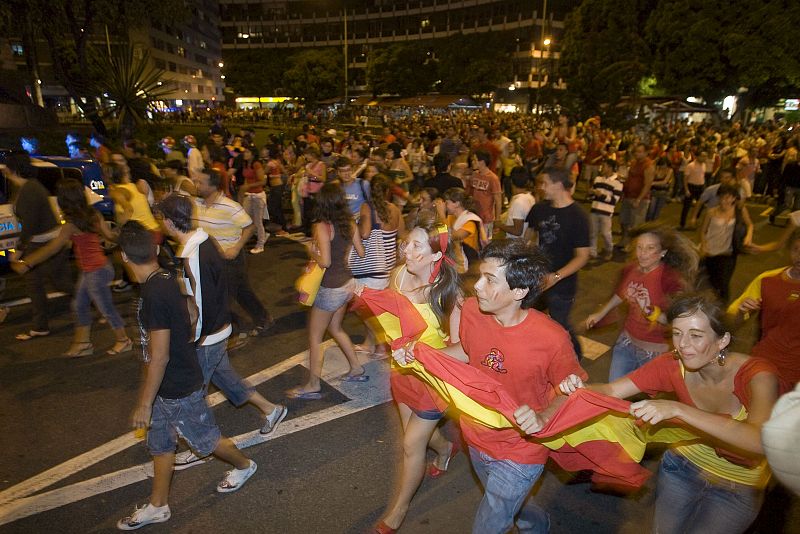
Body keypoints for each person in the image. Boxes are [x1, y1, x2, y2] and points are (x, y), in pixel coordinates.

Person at [394, 239, 587, 534]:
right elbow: (467, 350)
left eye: (490, 280)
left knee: (490, 523)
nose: (477, 286)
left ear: (519, 292)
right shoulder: (473, 311)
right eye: (480, 276)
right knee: (511, 507)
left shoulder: (552, 338)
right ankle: (537, 525)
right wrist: (420, 355)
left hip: (521, 450)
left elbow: (574, 390)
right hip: (476, 437)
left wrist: (543, 417)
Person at [561, 293, 780, 534]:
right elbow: (612, 390)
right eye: (677, 333)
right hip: (682, 469)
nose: (683, 344)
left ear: (722, 340)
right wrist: (582, 388)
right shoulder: (672, 364)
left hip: (737, 487)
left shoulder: (758, 375)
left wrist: (678, 409)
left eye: (696, 335)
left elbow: (759, 441)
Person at [116, 221, 257, 531]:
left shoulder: (153, 294)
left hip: (177, 385)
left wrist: (144, 403)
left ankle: (245, 465)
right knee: (161, 443)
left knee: (206, 440)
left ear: (124, 256)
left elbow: (160, 356)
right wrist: (185, 339)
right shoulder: (167, 277)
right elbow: (192, 310)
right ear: (155, 249)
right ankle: (158, 506)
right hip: (168, 381)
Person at [155, 195, 287, 468]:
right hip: (217, 330)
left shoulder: (193, 253)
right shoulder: (204, 239)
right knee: (225, 377)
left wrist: (193, 340)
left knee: (193, 396)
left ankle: (201, 445)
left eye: (161, 219)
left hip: (207, 336)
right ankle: (272, 409)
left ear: (168, 221)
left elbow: (200, 304)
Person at [373, 214, 462, 534]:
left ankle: (399, 509)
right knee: (416, 433)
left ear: (436, 255)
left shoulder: (449, 294)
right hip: (401, 372)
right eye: (406, 243)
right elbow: (391, 318)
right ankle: (445, 448)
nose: (406, 251)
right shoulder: (398, 276)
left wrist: (423, 353)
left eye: (416, 246)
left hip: (433, 381)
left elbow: (464, 350)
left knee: (411, 445)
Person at [11, 178, 132, 357]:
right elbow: (109, 236)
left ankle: (123, 340)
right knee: (79, 304)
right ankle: (83, 343)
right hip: (96, 268)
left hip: (96, 270)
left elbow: (53, 248)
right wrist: (121, 230)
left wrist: (27, 263)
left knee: (105, 307)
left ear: (64, 200)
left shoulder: (71, 224)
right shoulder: (93, 214)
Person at [586, 223, 697, 381]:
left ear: (663, 252)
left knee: (643, 395)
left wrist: (651, 312)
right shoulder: (631, 269)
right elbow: (621, 293)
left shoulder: (669, 279)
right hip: (626, 343)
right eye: (639, 247)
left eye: (650, 248)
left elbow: (678, 320)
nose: (642, 254)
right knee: (614, 389)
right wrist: (600, 313)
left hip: (653, 353)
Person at [288, 184, 366, 399]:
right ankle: (356, 368)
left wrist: (311, 251)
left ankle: (313, 384)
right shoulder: (350, 223)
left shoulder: (322, 226)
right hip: (348, 283)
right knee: (336, 327)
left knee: (315, 337)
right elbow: (361, 252)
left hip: (331, 287)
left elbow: (325, 262)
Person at [193, 167, 275, 339]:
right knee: (232, 293)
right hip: (209, 259)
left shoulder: (230, 206)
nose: (196, 185)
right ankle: (248, 323)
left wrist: (236, 248)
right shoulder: (197, 204)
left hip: (230, 259)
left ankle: (243, 326)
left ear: (213, 186)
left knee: (231, 295)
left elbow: (249, 226)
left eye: (200, 182)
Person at [2, 151, 73, 340]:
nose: (4, 169)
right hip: (37, 242)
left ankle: (98, 302)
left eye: (7, 166)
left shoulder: (31, 189)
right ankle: (40, 326)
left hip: (49, 243)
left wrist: (18, 250)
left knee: (60, 283)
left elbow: (30, 224)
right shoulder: (23, 187)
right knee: (34, 284)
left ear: (14, 168)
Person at [525, 166, 590, 360]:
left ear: (558, 184)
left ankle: (575, 356)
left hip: (563, 283)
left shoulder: (578, 216)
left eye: (545, 183)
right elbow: (529, 238)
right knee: (528, 317)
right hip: (537, 277)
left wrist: (555, 277)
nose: (541, 187)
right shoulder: (539, 209)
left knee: (560, 323)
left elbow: (582, 256)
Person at [728, 227, 800, 391]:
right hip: (767, 366)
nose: (799, 256)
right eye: (796, 250)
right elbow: (731, 323)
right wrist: (741, 312)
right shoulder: (767, 280)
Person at [699, 184, 753, 302]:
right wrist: (703, 245)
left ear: (734, 198)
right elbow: (703, 231)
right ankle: (708, 306)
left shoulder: (740, 211)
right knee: (708, 282)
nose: (724, 200)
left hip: (728, 253)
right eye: (721, 197)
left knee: (723, 284)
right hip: (710, 252)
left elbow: (750, 225)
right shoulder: (711, 212)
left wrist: (748, 237)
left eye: (728, 197)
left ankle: (723, 307)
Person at [442, 187, 486, 274]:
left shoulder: (470, 220)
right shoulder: (451, 217)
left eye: (446, 203)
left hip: (468, 266)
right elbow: (441, 234)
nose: (444, 206)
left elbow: (450, 237)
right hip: (455, 262)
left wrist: (442, 216)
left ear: (457, 203)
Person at [619, 143, 655, 247]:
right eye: (636, 151)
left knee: (636, 224)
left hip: (640, 199)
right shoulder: (634, 163)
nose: (636, 154)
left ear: (646, 153)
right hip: (628, 196)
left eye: (639, 152)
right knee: (624, 220)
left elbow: (647, 184)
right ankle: (625, 240)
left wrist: (639, 199)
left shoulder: (648, 166)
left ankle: (633, 246)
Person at [588, 159, 623, 260]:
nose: (602, 168)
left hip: (606, 212)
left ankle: (609, 250)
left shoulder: (617, 183)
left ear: (610, 168)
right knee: (592, 232)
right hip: (595, 208)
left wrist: (601, 195)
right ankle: (592, 252)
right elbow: (592, 196)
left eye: (604, 166)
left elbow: (614, 200)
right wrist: (591, 193)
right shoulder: (598, 179)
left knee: (605, 233)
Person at [239, 147, 269, 254]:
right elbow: (246, 178)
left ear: (252, 154)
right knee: (245, 219)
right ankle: (253, 238)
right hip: (249, 195)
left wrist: (248, 186)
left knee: (257, 221)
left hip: (257, 196)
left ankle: (260, 244)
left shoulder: (256, 164)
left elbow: (262, 181)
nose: (245, 154)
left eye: (247, 152)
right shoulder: (246, 164)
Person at [466, 149, 502, 238]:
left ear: (482, 161)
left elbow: (498, 201)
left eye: (475, 160)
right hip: (474, 216)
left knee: (485, 242)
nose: (472, 162)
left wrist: (497, 221)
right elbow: (469, 194)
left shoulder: (493, 178)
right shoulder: (474, 175)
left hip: (486, 218)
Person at [495, 166, 535, 240]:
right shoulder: (530, 197)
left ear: (511, 181)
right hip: (525, 241)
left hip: (515, 242)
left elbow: (517, 231)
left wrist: (499, 225)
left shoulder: (518, 202)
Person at [645, 157, 674, 222]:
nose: (663, 167)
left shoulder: (670, 170)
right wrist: (655, 161)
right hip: (654, 192)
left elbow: (664, 182)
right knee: (651, 209)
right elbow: (650, 167)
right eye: (662, 165)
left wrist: (653, 183)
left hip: (663, 193)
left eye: (664, 165)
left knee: (658, 210)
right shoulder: (656, 169)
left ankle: (653, 223)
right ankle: (648, 222)